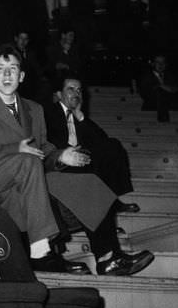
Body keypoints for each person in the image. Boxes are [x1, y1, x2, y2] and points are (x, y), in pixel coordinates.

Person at [0, 44, 154, 276]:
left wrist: (60, 155)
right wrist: (16, 149)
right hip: (1, 185)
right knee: (31, 165)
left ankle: (108, 258)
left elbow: (43, 148)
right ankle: (44, 252)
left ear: (22, 76)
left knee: (89, 183)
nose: (7, 74)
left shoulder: (34, 109)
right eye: (0, 69)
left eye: (13, 69)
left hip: (34, 177)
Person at [45, 74, 140, 214]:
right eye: (71, 89)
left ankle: (110, 201)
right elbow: (47, 141)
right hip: (60, 162)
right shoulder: (47, 113)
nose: (76, 93)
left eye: (79, 90)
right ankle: (109, 206)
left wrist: (81, 117)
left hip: (82, 159)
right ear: (59, 94)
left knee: (112, 145)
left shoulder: (80, 116)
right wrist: (65, 153)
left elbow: (102, 139)